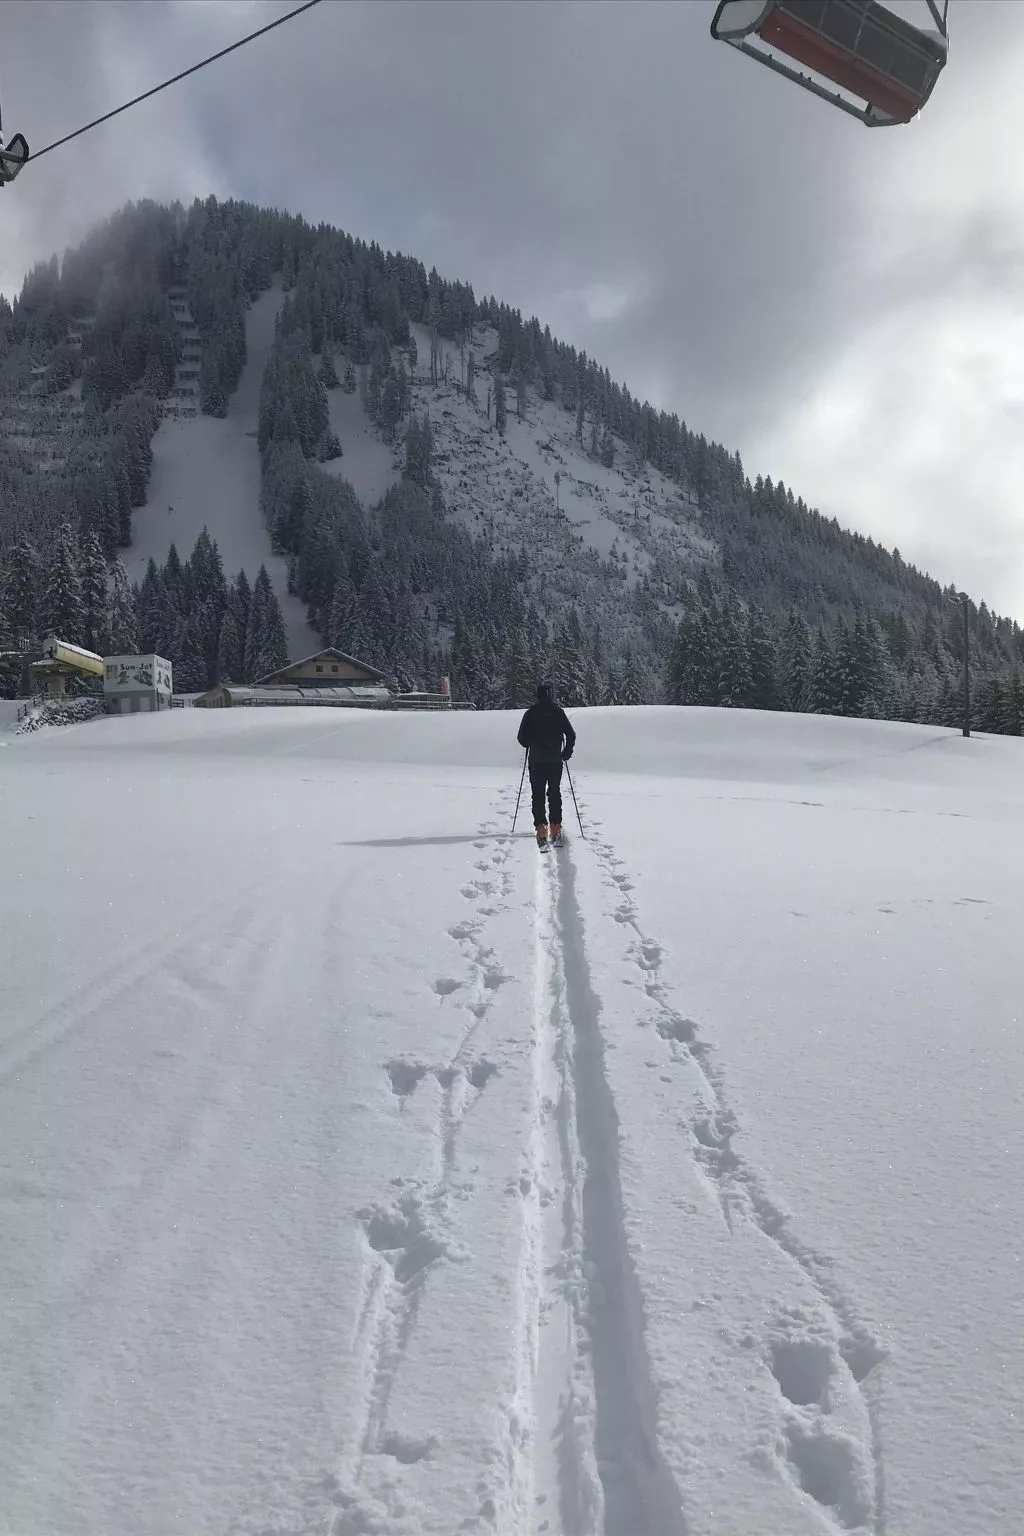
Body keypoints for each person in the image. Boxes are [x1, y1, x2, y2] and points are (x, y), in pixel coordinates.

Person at [517, 684, 576, 846]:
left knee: (538, 794)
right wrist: (566, 752)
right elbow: (571, 734)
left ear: (537, 695)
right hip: (555, 760)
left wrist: (532, 741)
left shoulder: (530, 713)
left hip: (536, 761)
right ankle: (555, 826)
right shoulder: (558, 712)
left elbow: (522, 739)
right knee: (554, 792)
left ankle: (541, 827)